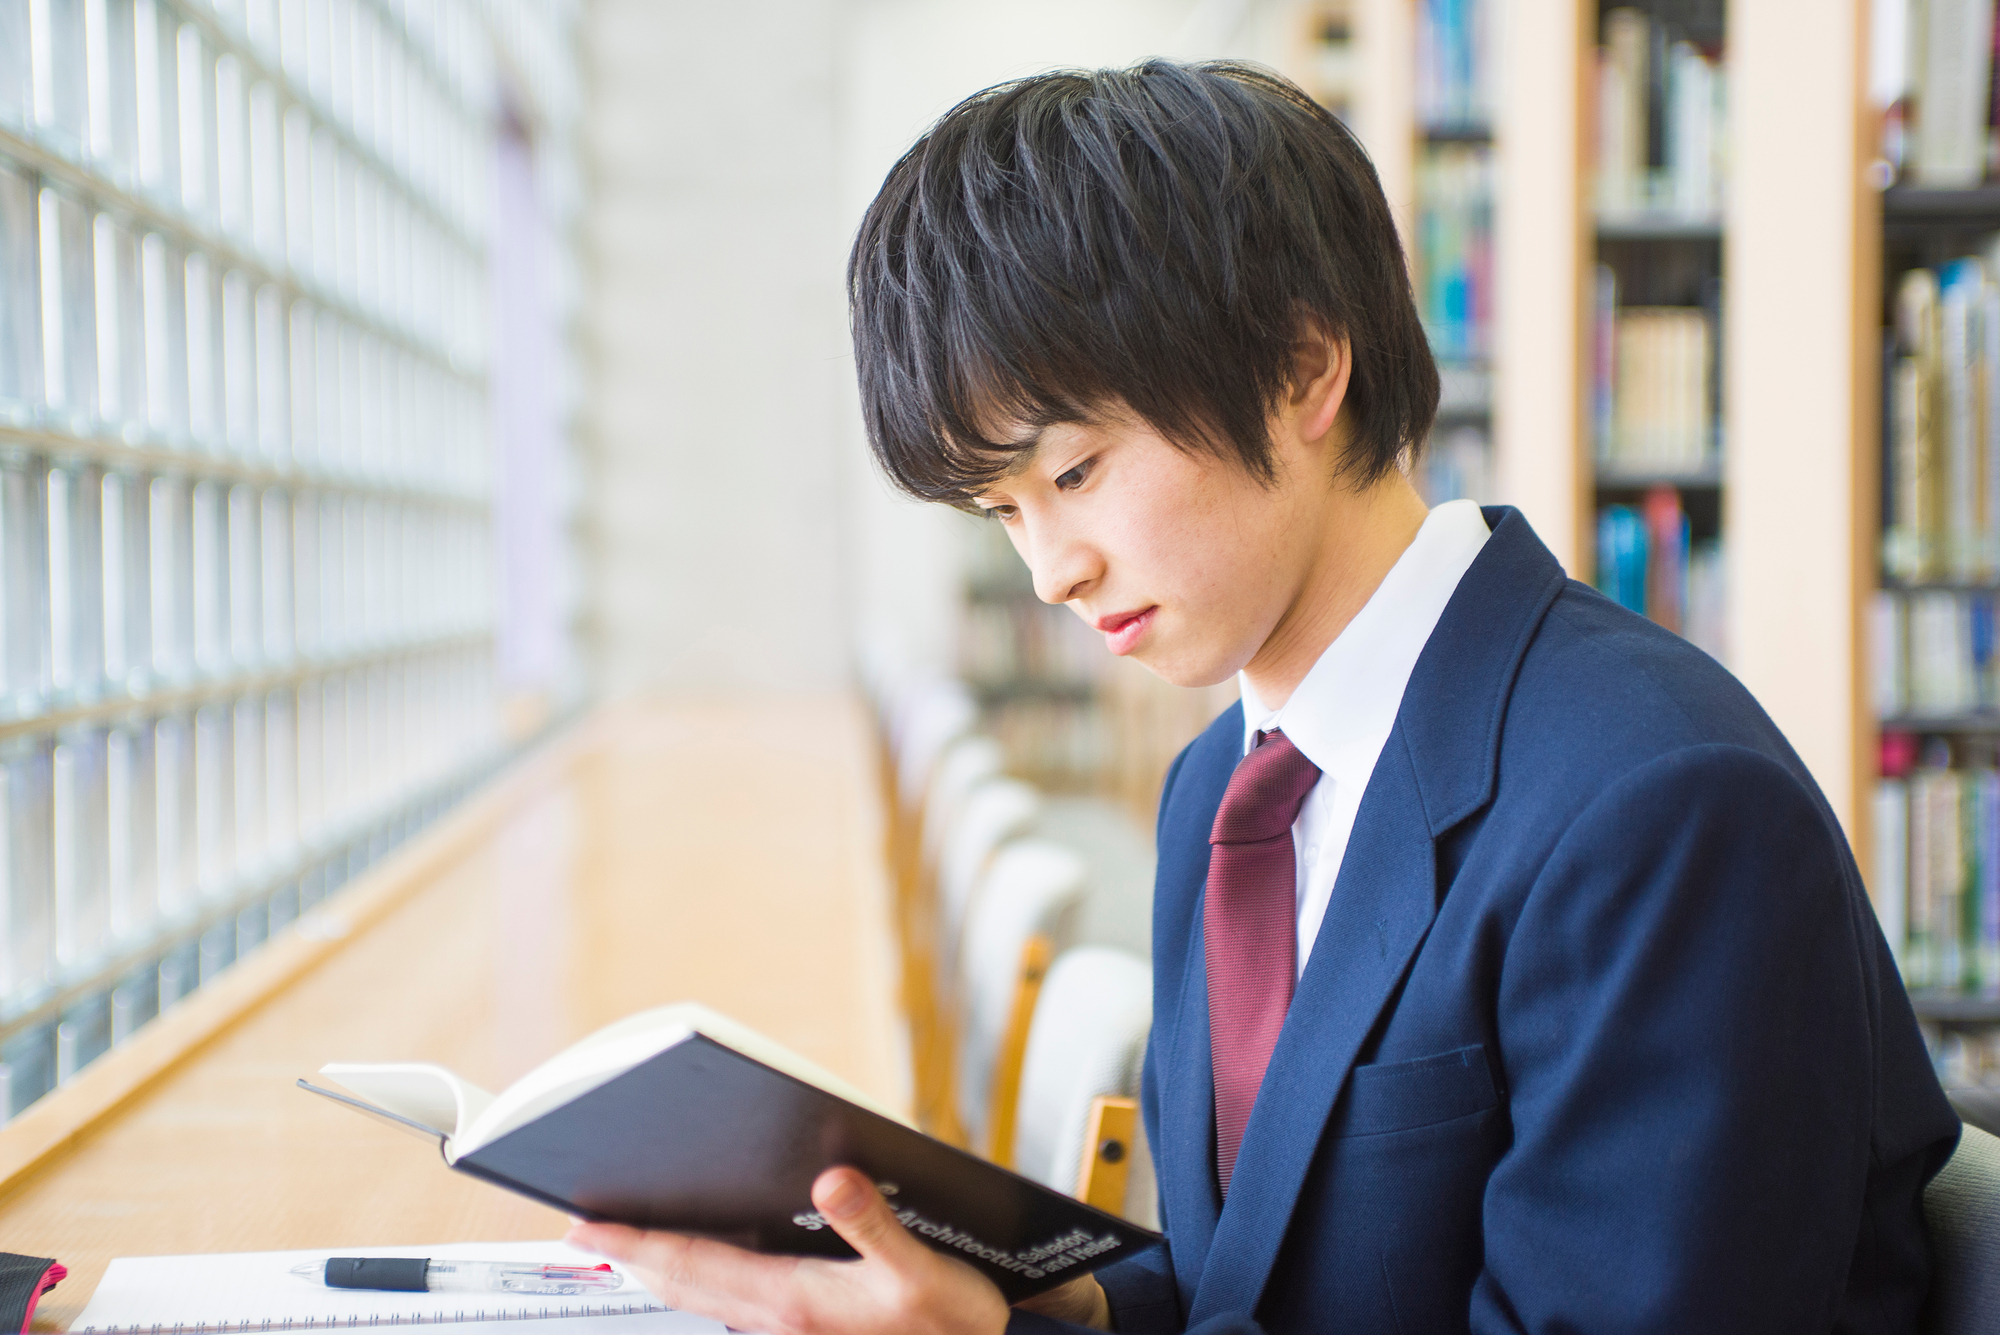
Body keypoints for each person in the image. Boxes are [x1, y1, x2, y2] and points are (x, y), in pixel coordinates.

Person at [568, 60, 1961, 1334]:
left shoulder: (1656, 813)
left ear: (1303, 368)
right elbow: (1256, 1294)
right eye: (1001, 512)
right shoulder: (1223, 796)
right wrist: (1017, 1310)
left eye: (1073, 475)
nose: (1054, 570)